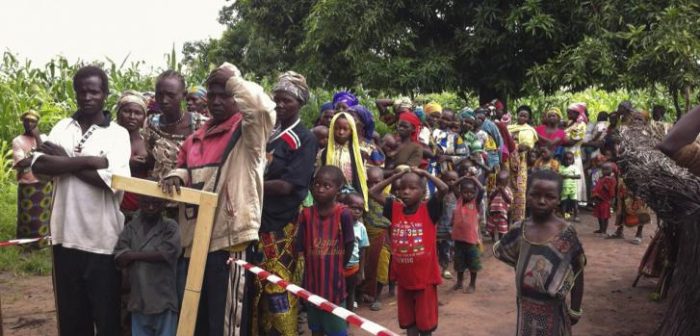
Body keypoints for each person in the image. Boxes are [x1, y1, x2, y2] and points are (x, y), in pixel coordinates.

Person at [160, 63, 275, 336]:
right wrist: (177, 176)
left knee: (226, 325)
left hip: (229, 240)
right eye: (212, 95)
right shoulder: (195, 138)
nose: (216, 100)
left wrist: (234, 80)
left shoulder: (248, 133)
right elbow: (184, 167)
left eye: (225, 94)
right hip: (194, 241)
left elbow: (261, 108)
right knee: (197, 320)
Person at [32, 65, 131, 335]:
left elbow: (110, 180)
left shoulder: (117, 134)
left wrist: (63, 160)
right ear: (75, 93)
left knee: (107, 320)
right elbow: (40, 166)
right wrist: (88, 161)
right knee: (72, 322)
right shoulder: (62, 127)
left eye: (94, 92)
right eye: (82, 91)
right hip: (64, 239)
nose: (87, 97)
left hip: (103, 243)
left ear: (105, 94)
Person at [255, 71, 317, 336]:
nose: (280, 105)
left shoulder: (305, 137)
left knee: (279, 288)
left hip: (283, 224)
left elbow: (288, 186)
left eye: (286, 101)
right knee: (256, 287)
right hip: (256, 220)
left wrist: (249, 186)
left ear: (300, 103)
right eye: (276, 99)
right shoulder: (267, 131)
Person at [493, 170, 586, 336]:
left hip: (554, 310)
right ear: (527, 195)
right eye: (535, 195)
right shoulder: (519, 230)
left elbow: (577, 271)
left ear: (558, 199)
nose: (541, 201)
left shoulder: (566, 234)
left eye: (549, 196)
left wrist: (575, 309)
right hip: (525, 308)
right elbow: (514, 258)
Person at [369, 167, 448, 336]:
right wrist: (395, 175)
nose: (406, 192)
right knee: (409, 323)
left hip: (424, 280)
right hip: (404, 280)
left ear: (422, 191)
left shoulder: (429, 209)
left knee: (425, 325)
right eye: (402, 188)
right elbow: (373, 192)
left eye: (412, 188)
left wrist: (425, 174)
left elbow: (444, 189)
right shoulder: (394, 208)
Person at [296, 166, 355, 336]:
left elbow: (349, 244)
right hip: (312, 283)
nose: (320, 189)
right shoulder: (306, 215)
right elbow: (300, 248)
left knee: (336, 329)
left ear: (338, 189)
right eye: (316, 185)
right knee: (316, 328)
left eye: (326, 186)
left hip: (334, 286)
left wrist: (340, 267)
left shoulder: (343, 214)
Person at [114, 192, 181, 336]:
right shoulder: (131, 228)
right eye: (146, 203)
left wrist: (133, 255)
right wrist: (147, 255)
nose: (151, 207)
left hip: (164, 302)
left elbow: (166, 254)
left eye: (156, 203)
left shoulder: (170, 226)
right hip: (139, 302)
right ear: (139, 202)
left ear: (163, 204)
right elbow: (120, 257)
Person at [12, 110, 51, 242]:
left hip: (43, 183)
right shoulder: (18, 141)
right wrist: (39, 157)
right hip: (27, 183)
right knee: (27, 217)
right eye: (26, 121)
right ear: (22, 122)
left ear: (37, 123)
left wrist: (38, 138)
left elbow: (47, 160)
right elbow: (21, 163)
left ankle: (41, 243)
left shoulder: (44, 138)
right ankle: (25, 244)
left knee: (42, 216)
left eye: (33, 121)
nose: (29, 123)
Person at [319, 112, 368, 206]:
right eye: (337, 128)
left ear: (352, 131)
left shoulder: (359, 154)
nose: (341, 132)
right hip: (330, 197)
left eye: (345, 129)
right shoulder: (324, 153)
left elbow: (362, 178)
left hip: (352, 198)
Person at [361, 167, 392, 311]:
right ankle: (367, 293)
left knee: (381, 265)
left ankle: (378, 297)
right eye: (370, 183)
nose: (373, 186)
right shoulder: (363, 196)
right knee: (367, 265)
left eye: (377, 182)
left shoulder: (389, 198)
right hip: (366, 234)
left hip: (382, 234)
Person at [116, 91, 149, 222]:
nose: (132, 116)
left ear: (144, 118)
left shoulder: (148, 143)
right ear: (119, 114)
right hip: (113, 206)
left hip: (141, 210)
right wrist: (127, 163)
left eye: (137, 113)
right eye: (127, 111)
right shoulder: (109, 139)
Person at [451, 177, 483, 293]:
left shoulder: (475, 203)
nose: (468, 194)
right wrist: (464, 178)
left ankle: (472, 284)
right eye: (465, 192)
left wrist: (474, 179)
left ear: (474, 193)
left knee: (473, 264)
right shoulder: (459, 199)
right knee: (459, 263)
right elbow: (453, 186)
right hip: (458, 240)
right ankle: (459, 283)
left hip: (471, 241)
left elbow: (482, 190)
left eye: (471, 192)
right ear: (461, 192)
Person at [507, 106, 539, 222]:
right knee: (507, 187)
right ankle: (505, 219)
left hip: (521, 162)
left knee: (520, 190)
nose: (522, 117)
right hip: (507, 162)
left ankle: (518, 220)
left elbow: (525, 146)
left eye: (525, 116)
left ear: (528, 118)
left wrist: (513, 145)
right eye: (520, 114)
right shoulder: (509, 127)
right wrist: (515, 145)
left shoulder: (530, 130)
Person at [342, 192, 370, 311]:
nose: (357, 211)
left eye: (360, 209)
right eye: (353, 207)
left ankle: (348, 319)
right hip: (338, 267)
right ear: (343, 206)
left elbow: (363, 250)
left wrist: (361, 271)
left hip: (353, 267)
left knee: (350, 293)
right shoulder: (338, 225)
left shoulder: (361, 228)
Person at [563, 103, 588, 206]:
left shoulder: (581, 125)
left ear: (577, 113)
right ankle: (566, 204)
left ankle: (574, 205)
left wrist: (556, 139)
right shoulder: (570, 123)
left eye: (570, 112)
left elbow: (572, 142)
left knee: (573, 179)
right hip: (565, 153)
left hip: (573, 154)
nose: (568, 114)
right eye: (567, 112)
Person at [436, 170, 459, 280]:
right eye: (448, 180)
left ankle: (448, 267)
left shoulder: (458, 194)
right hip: (441, 228)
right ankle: (441, 268)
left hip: (453, 228)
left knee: (450, 249)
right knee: (441, 249)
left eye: (454, 180)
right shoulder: (440, 195)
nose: (451, 182)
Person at [591, 163, 617, 234]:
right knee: (599, 216)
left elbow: (612, 190)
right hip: (598, 199)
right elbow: (597, 186)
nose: (605, 171)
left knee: (604, 216)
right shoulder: (601, 178)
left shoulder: (611, 179)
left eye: (607, 169)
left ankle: (604, 230)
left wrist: (606, 186)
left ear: (611, 170)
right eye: (603, 169)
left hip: (605, 200)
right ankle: (600, 228)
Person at [487, 170, 513, 241]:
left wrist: (502, 191)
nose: (499, 184)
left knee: (502, 228)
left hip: (502, 213)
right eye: (498, 182)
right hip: (492, 212)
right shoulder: (494, 189)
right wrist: (496, 191)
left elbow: (509, 200)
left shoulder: (508, 190)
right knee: (490, 228)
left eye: (501, 182)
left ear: (506, 182)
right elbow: (491, 197)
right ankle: (493, 238)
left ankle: (500, 239)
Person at [559, 152, 581, 221]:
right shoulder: (561, 167)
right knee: (563, 203)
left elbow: (578, 176)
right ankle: (563, 216)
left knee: (575, 203)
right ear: (563, 159)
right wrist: (561, 176)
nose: (568, 161)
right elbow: (558, 175)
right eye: (566, 159)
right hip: (564, 188)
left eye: (570, 159)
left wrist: (569, 176)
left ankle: (576, 216)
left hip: (573, 188)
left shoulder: (574, 168)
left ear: (573, 160)